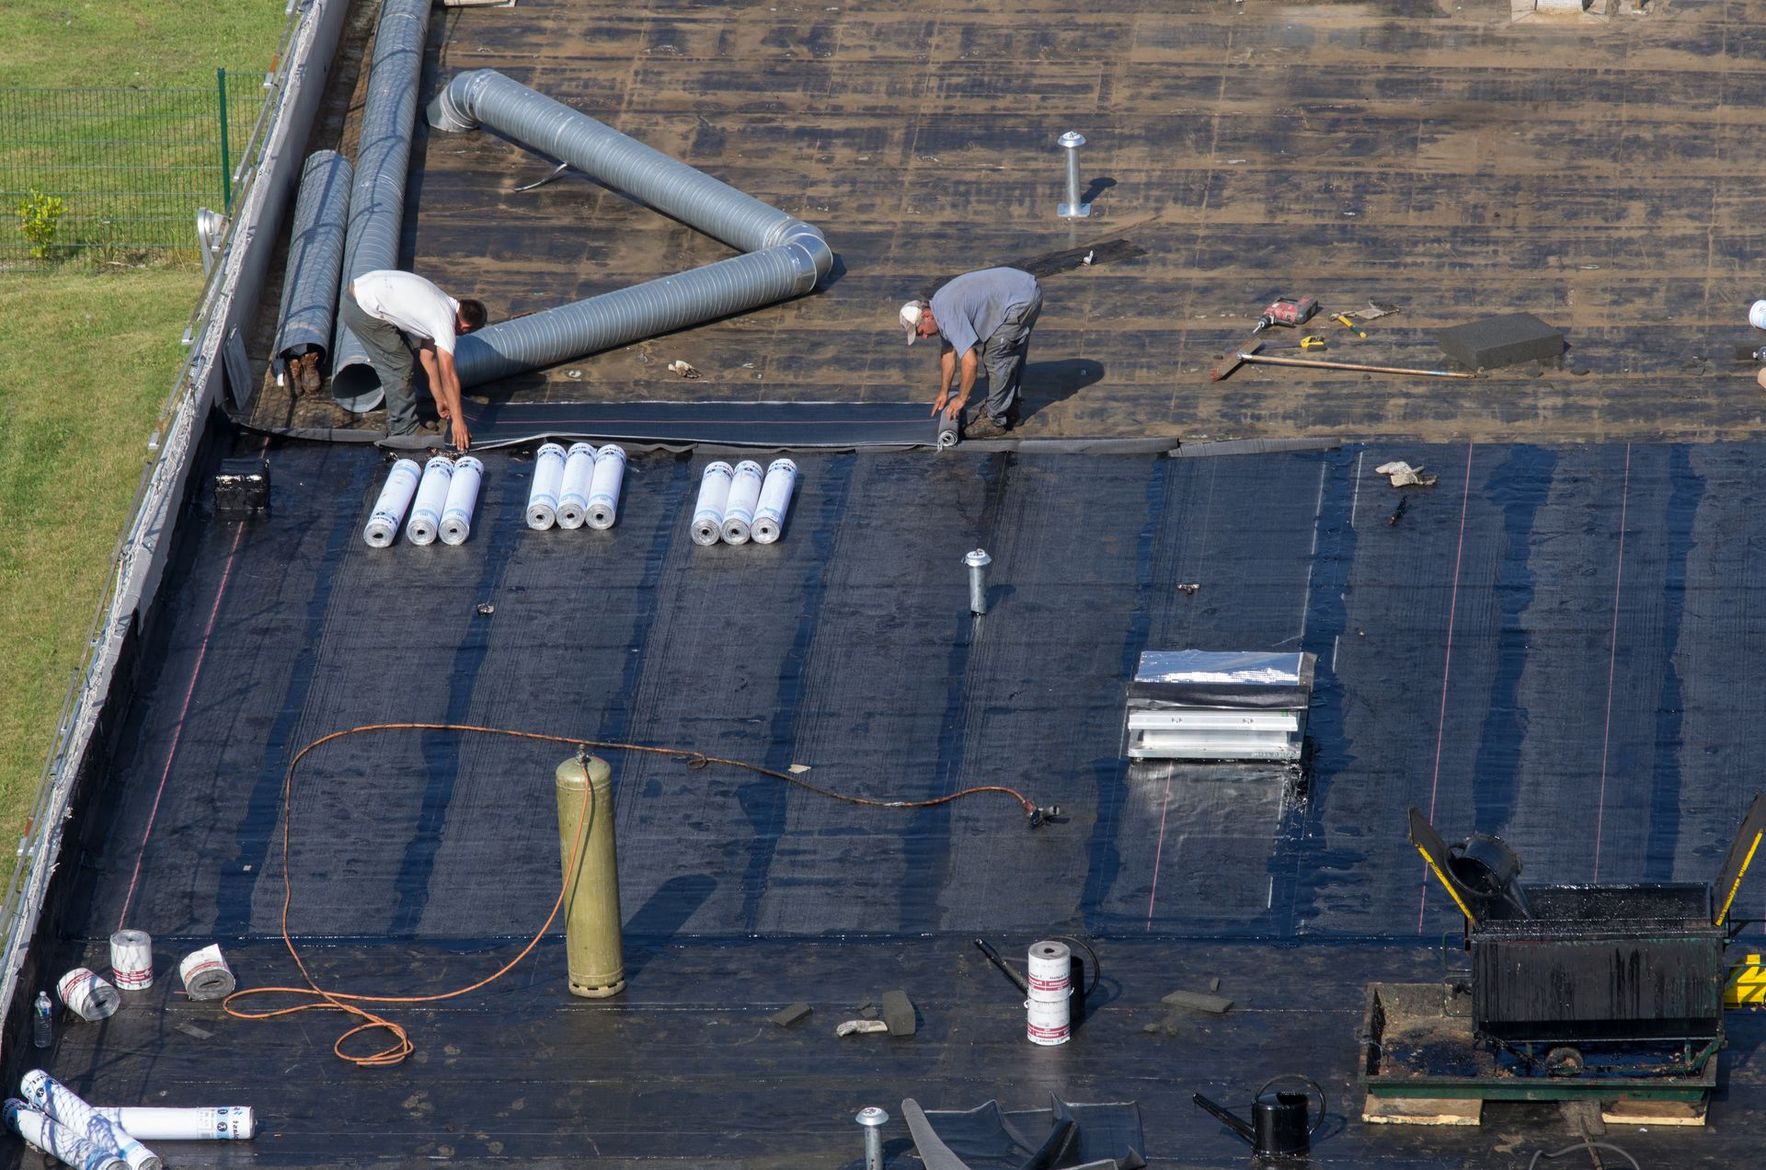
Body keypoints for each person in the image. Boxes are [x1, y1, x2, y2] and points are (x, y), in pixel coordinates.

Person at [340, 269, 487, 450]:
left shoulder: (443, 303)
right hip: (362, 308)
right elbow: (448, 373)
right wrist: (458, 422)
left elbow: (428, 358)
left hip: (359, 294)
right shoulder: (444, 321)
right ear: (466, 327)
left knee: (405, 357)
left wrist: (440, 398)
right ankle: (404, 430)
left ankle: (405, 420)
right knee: (399, 363)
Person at [900, 266, 1043, 438]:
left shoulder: (947, 315)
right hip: (1023, 287)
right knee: (1010, 353)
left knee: (997, 356)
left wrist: (961, 399)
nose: (923, 337)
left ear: (926, 316)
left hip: (1020, 300)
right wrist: (944, 392)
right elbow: (948, 353)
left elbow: (970, 362)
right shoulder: (939, 306)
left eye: (920, 331)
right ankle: (1010, 409)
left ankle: (995, 420)